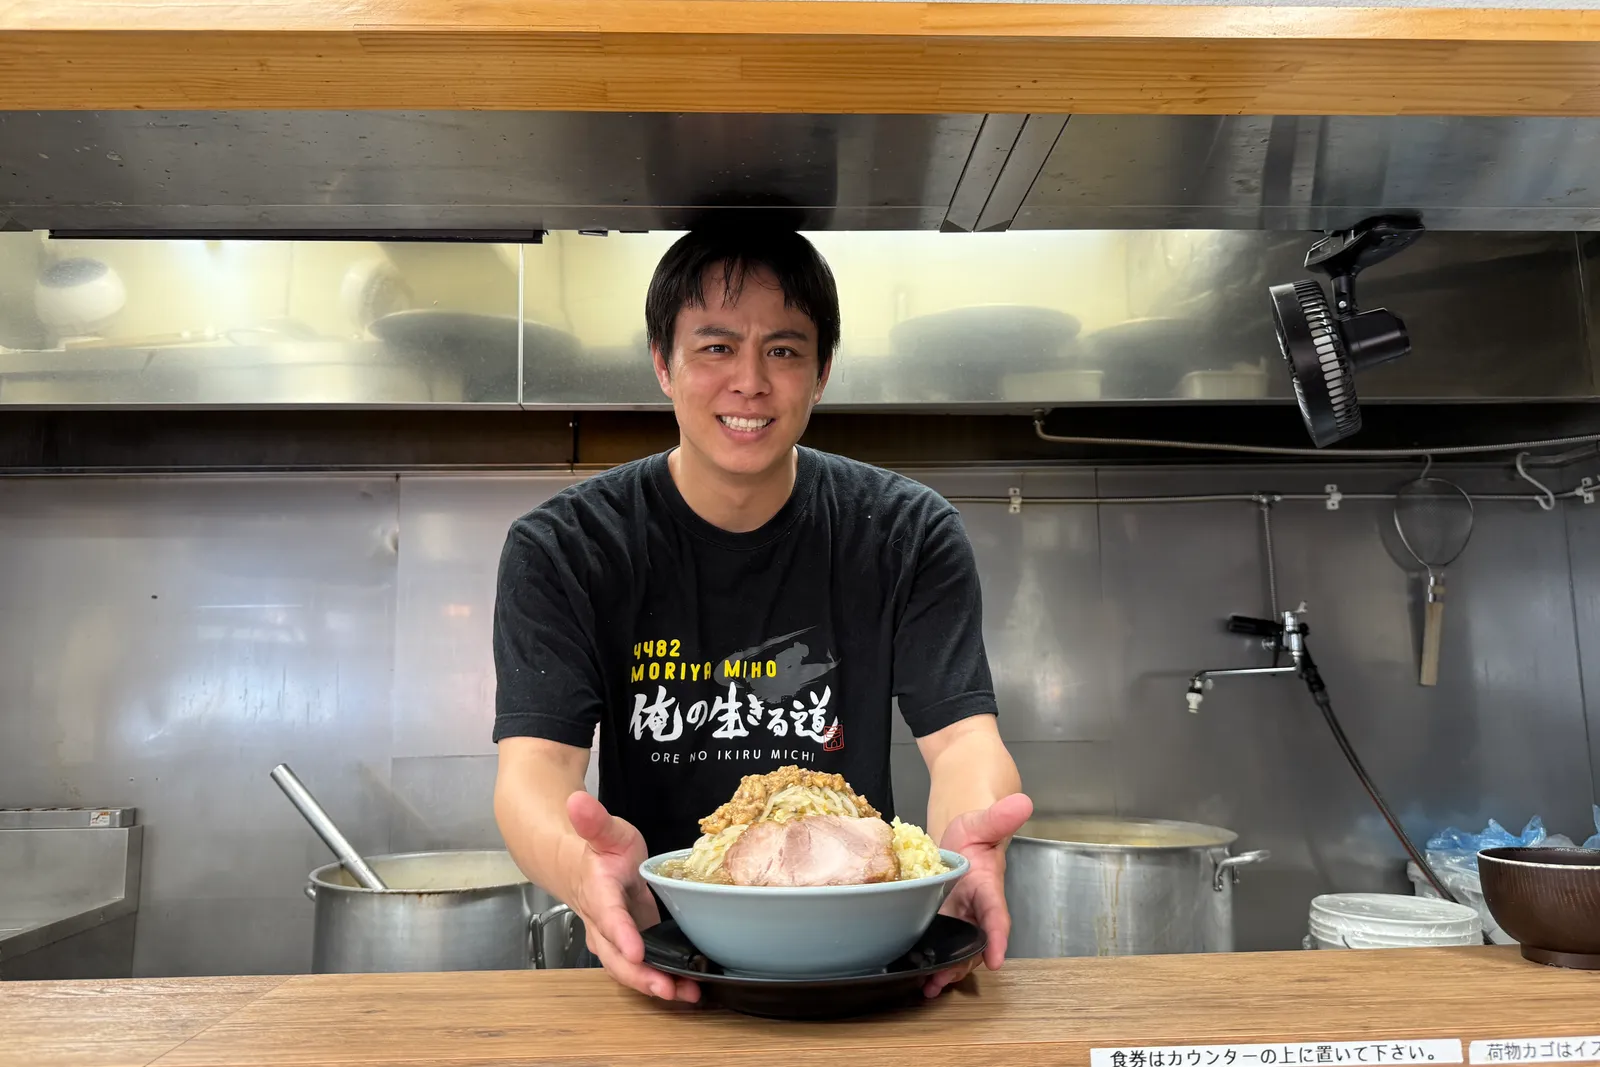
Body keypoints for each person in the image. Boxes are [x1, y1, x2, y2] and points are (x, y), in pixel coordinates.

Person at [491, 227, 1032, 1003]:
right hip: (657, 960)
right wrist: (581, 870)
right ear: (661, 362)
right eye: (715, 347)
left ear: (821, 374)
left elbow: (962, 743)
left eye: (783, 351)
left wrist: (970, 841)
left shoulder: (906, 532)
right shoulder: (566, 548)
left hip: (861, 970)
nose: (750, 381)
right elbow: (533, 774)